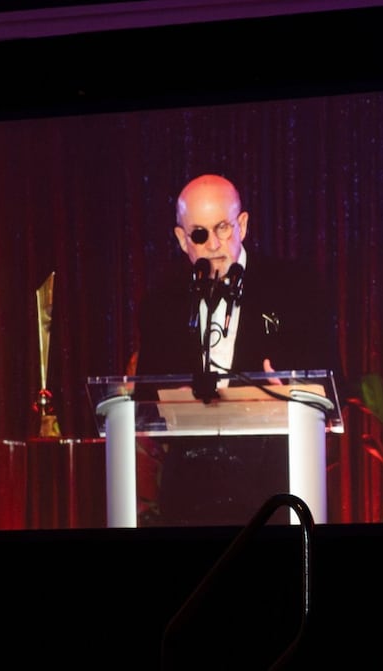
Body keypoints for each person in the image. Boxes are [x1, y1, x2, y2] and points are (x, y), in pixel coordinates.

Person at [132, 173, 337, 525]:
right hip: (189, 501)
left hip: (276, 494)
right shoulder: (160, 302)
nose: (213, 244)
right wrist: (173, 401)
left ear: (242, 224)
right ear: (182, 240)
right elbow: (144, 399)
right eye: (200, 233)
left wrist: (293, 394)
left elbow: (334, 390)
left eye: (223, 228)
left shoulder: (296, 287)